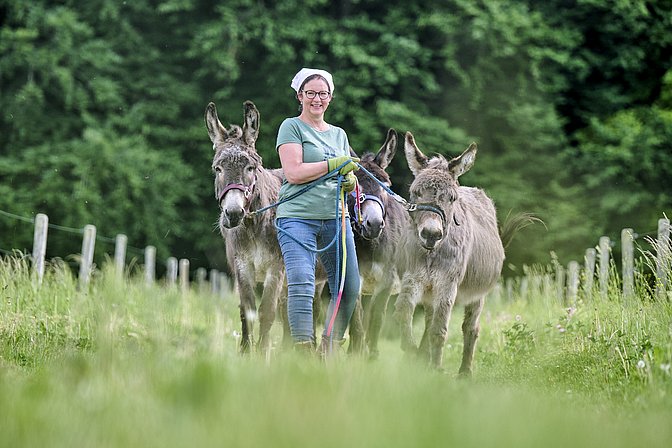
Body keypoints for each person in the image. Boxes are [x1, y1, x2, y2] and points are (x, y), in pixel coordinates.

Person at [275, 67, 361, 355]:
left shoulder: (339, 134)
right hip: (297, 218)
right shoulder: (291, 127)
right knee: (302, 282)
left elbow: (346, 174)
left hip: (336, 219)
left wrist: (349, 181)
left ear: (330, 98)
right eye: (310, 93)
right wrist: (336, 165)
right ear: (300, 96)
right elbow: (294, 172)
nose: (317, 99)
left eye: (322, 94)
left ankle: (329, 348)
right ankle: (303, 351)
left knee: (349, 288)